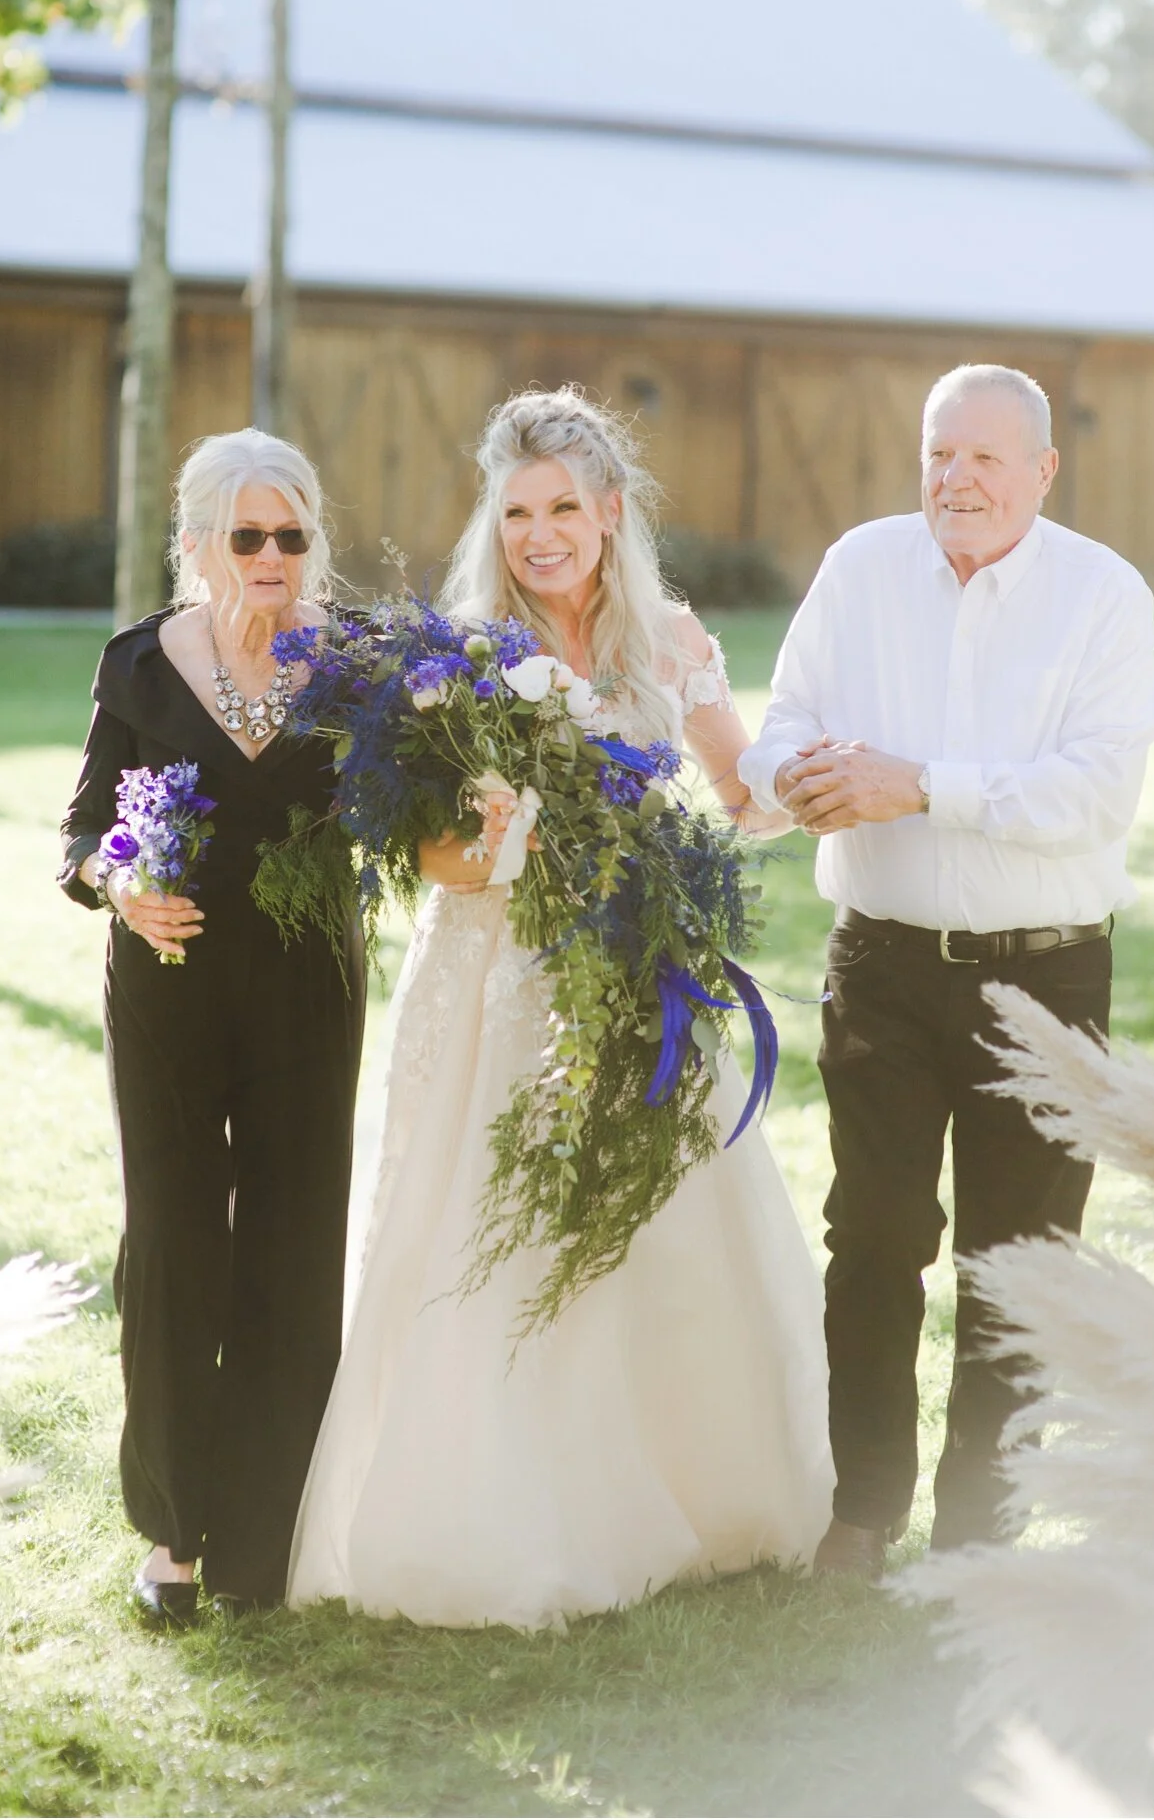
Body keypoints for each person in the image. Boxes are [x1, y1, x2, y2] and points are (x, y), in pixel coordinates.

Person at [287, 387, 833, 1629]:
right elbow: (427, 857)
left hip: (640, 970)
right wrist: (506, 843)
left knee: (661, 1223)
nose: (539, 535)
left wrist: (806, 779)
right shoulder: (461, 655)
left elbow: (740, 790)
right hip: (497, 977)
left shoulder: (669, 642)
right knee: (498, 1225)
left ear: (610, 512)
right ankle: (510, 1513)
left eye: (563, 510)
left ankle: (690, 1496)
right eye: (517, 512)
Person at [738, 363, 1154, 1578]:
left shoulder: (1102, 594)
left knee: (1019, 1263)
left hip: (1048, 981)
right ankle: (863, 1510)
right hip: (881, 963)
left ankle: (983, 1537)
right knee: (873, 1239)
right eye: (939, 453)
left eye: (984, 457)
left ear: (1043, 471)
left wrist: (921, 785)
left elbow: (1096, 793)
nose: (956, 478)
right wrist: (799, 776)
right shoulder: (861, 568)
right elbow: (780, 727)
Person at [59, 429, 365, 1622]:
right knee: (175, 1241)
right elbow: (84, 831)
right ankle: (174, 1535)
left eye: (292, 534)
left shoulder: (358, 667)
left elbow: (418, 811)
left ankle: (264, 1535)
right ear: (197, 544)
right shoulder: (139, 665)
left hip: (307, 984)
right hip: (169, 984)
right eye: (247, 536)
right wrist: (119, 885)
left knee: (295, 1241)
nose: (272, 555)